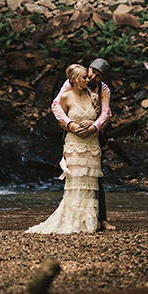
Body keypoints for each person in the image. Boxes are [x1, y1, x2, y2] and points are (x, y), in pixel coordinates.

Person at [26, 64, 103, 234]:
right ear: (75, 80)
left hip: (91, 144)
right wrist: (73, 126)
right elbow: (61, 122)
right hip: (74, 144)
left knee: (90, 184)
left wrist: (91, 125)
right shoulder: (65, 98)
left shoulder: (95, 97)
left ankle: (88, 221)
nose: (88, 79)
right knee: (75, 183)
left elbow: (101, 120)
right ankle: (73, 220)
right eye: (84, 77)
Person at [51, 58, 115, 231]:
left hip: (95, 134)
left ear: (102, 76)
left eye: (97, 75)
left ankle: (101, 219)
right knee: (73, 174)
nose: (92, 76)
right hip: (73, 131)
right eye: (91, 71)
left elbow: (106, 112)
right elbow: (57, 105)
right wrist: (70, 124)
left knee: (96, 176)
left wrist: (94, 126)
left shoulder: (103, 89)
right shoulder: (71, 82)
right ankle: (73, 215)